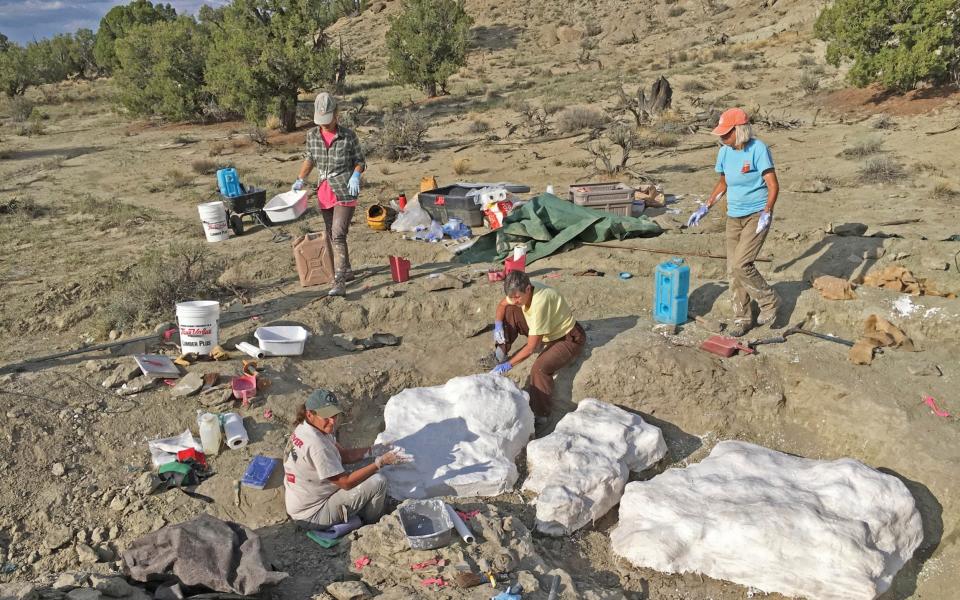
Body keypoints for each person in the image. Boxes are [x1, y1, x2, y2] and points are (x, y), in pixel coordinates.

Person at [687, 107, 780, 337]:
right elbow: (723, 184)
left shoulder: (758, 149)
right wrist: (705, 206)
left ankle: (770, 301)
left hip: (756, 215)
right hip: (734, 216)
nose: (722, 138)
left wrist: (767, 211)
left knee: (742, 264)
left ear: (740, 130)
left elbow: (773, 184)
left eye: (726, 133)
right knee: (732, 270)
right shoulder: (725, 153)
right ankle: (743, 317)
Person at [283, 389, 409, 528]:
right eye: (326, 417)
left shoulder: (307, 427)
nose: (332, 422)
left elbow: (344, 456)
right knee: (378, 482)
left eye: (334, 416)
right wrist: (380, 462)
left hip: (301, 499)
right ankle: (370, 524)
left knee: (362, 469)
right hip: (313, 514)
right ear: (310, 414)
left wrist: (373, 450)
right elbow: (346, 483)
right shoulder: (317, 445)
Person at [292, 92, 366, 297]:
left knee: (338, 234)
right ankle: (347, 269)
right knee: (331, 235)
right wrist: (300, 178)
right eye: (321, 121)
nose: (324, 125)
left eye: (328, 120)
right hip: (324, 191)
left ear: (336, 115)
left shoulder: (348, 136)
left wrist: (355, 176)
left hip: (345, 190)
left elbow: (360, 161)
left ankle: (339, 281)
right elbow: (310, 158)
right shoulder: (312, 136)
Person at [490, 271, 586, 420]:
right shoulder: (518, 292)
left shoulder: (540, 301)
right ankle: (499, 355)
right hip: (547, 331)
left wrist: (508, 365)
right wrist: (498, 324)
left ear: (528, 289)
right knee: (510, 311)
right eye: (512, 297)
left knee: (539, 369)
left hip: (567, 337)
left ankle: (541, 415)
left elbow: (531, 348)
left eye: (517, 297)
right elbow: (503, 304)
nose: (515, 300)